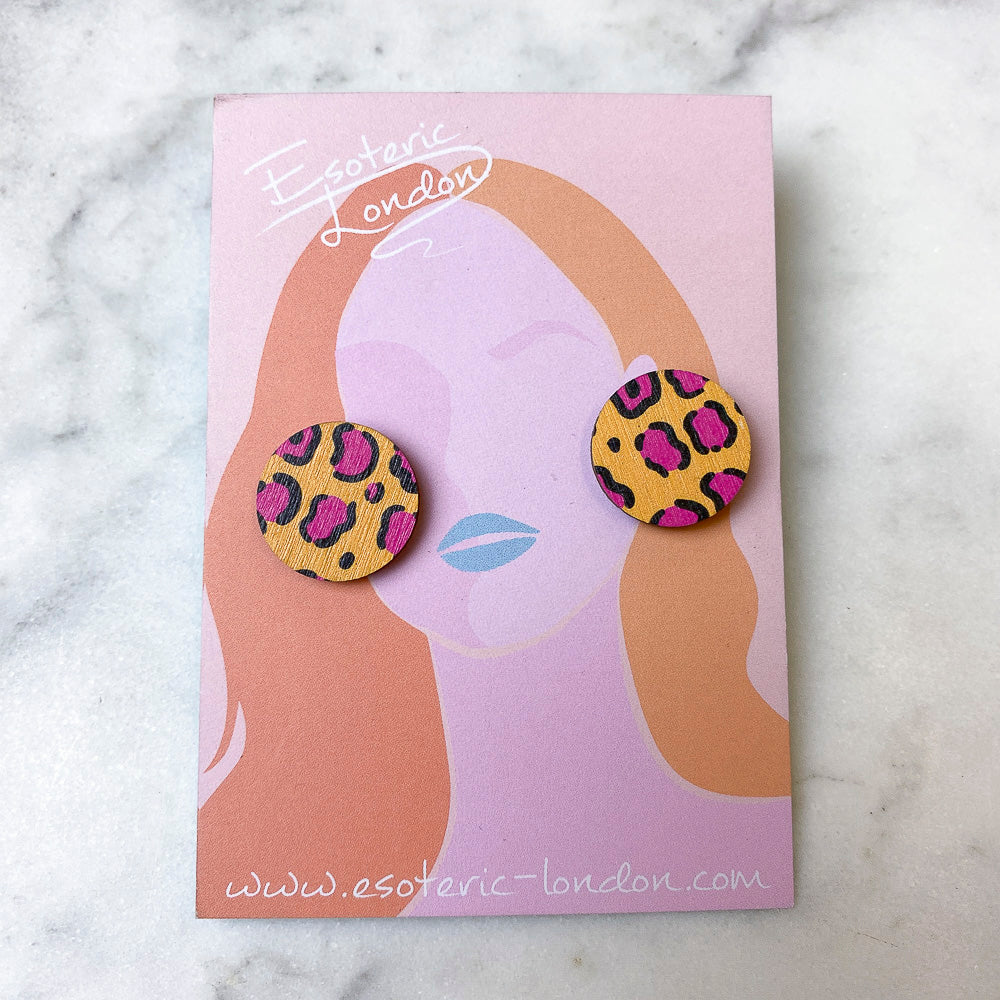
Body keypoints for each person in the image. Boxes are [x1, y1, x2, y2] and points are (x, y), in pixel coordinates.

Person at [198, 161, 790, 917]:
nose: (466, 461)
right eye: (394, 392)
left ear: (644, 389)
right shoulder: (283, 868)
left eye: (528, 367)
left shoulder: (757, 831)